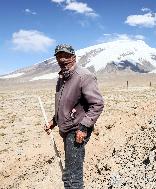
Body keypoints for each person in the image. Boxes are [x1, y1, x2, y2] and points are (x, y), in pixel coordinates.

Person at [45, 44, 104, 188]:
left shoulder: (84, 76)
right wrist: (54, 120)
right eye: (59, 56)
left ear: (73, 57)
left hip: (77, 130)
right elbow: (65, 104)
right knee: (72, 170)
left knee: (72, 175)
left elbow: (97, 104)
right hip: (67, 128)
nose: (62, 59)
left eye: (65, 56)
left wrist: (83, 128)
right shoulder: (62, 78)